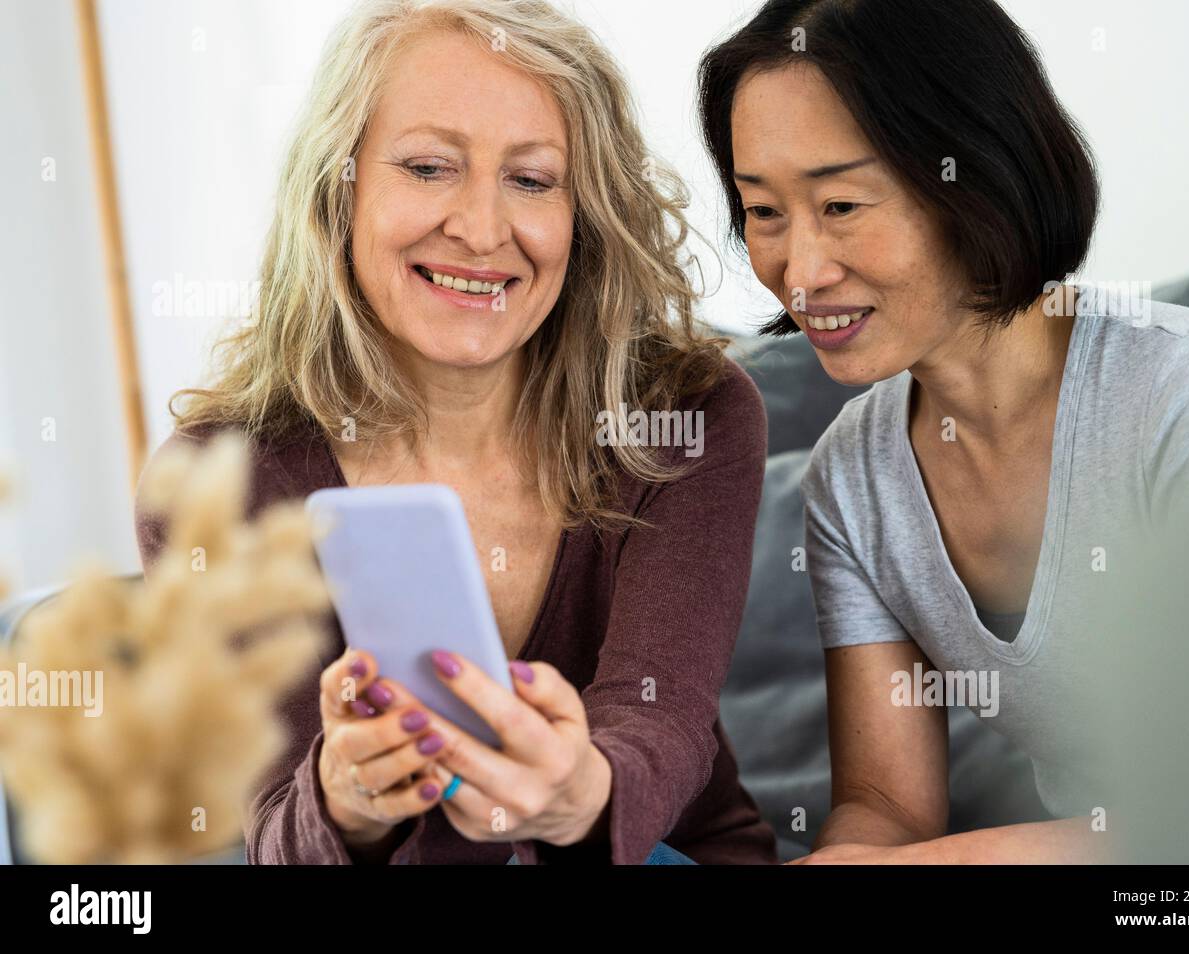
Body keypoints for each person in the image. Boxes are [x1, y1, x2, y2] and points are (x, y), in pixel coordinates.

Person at [136, 0, 778, 865]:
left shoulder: (686, 415)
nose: (480, 231)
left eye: (532, 179)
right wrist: (345, 798)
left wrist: (574, 791)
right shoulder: (215, 483)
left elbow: (659, 720)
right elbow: (275, 836)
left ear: (584, 212)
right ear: (340, 185)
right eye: (430, 167)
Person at [697, 0, 1189, 862]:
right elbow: (887, 807)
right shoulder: (852, 478)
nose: (801, 271)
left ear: (972, 178)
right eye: (763, 213)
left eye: (840, 204)